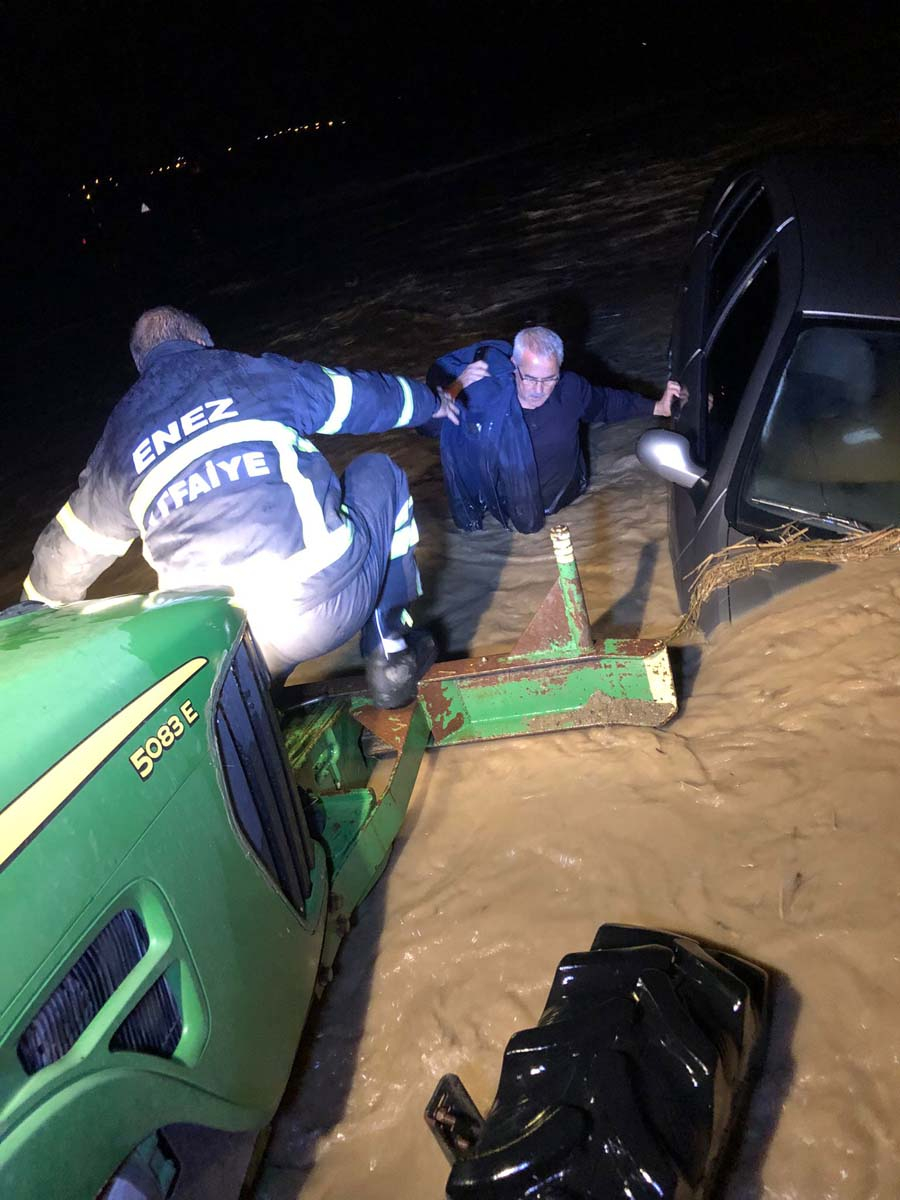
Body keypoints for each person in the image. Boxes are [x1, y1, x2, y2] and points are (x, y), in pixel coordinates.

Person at [22, 306, 460, 706]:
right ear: (204, 341)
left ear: (141, 366)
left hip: (219, 649)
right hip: (323, 607)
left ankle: (256, 701)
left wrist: (27, 619)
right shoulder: (250, 373)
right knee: (377, 470)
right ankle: (388, 650)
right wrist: (431, 405)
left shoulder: (118, 439)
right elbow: (363, 398)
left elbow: (68, 550)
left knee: (224, 629)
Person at [426, 326, 684, 533]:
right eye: (530, 378)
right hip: (506, 512)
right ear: (513, 366)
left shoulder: (570, 389)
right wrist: (456, 387)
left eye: (549, 378)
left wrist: (657, 407)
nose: (539, 389)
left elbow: (606, 404)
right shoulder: (481, 399)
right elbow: (428, 427)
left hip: (567, 502)